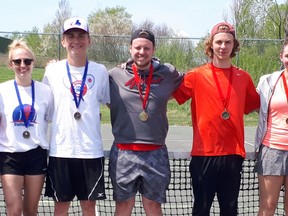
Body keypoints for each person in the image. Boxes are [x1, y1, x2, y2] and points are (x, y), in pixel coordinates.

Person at [172, 22, 260, 215]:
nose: (223, 46)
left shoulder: (243, 77)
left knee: (229, 210)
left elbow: (259, 105)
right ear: (211, 44)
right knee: (201, 210)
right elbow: (169, 94)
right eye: (218, 42)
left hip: (233, 155)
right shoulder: (195, 75)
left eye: (228, 42)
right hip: (204, 155)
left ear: (234, 45)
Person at [108, 29, 183, 216]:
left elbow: (192, 83)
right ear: (130, 48)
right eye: (137, 47)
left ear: (154, 49)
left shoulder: (168, 73)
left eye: (146, 48)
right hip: (124, 152)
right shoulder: (113, 75)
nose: (142, 52)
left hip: (155, 152)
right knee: (123, 206)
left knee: (153, 206)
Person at [43, 17, 110, 215]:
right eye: (70, 36)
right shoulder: (52, 70)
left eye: (81, 35)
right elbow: (43, 107)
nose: (76, 40)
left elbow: (112, 102)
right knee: (61, 206)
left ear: (89, 40)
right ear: (63, 41)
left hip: (90, 151)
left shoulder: (100, 71)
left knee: (89, 206)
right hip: (60, 150)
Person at [0, 39, 53, 215]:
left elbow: (50, 117)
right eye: (17, 61)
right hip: (9, 155)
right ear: (11, 64)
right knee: (14, 210)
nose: (23, 65)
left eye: (27, 61)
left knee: (31, 210)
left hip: (35, 155)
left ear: (33, 63)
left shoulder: (45, 90)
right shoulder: (2, 91)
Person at [254, 39, 288, 215]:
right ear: (281, 56)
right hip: (272, 149)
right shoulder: (267, 81)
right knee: (268, 205)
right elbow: (251, 105)